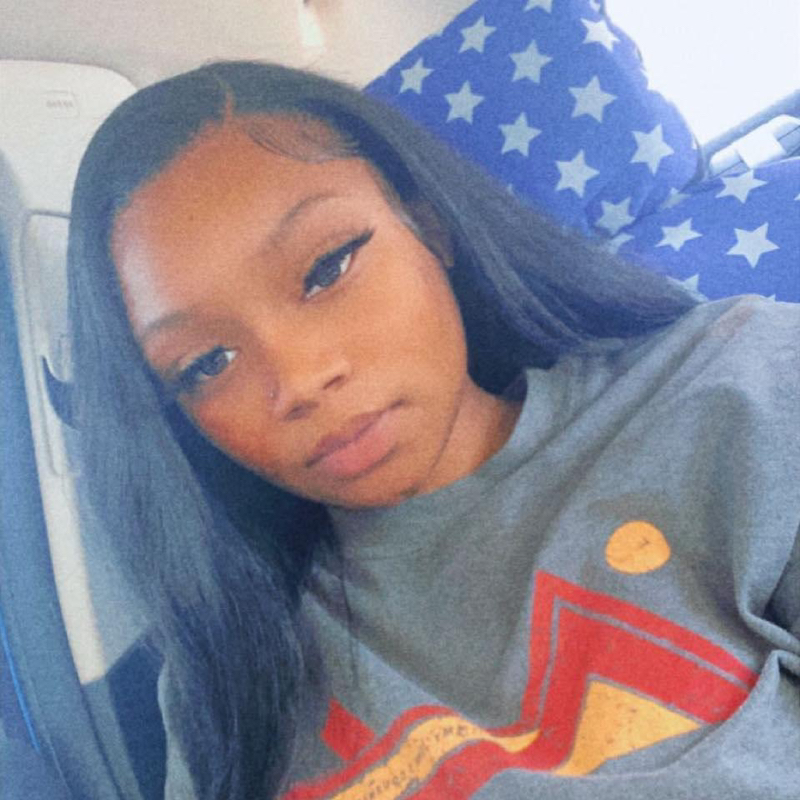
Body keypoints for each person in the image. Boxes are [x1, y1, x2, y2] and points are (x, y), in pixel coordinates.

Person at [67, 61, 799, 800]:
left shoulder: (738, 389)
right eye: (207, 362)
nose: (298, 380)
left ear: (429, 225)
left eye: (326, 268)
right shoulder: (228, 678)